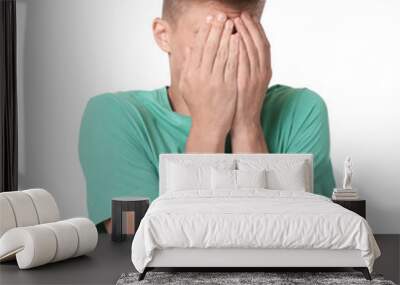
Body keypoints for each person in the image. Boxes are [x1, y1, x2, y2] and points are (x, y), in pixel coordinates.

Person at [79, 0, 336, 233]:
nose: (228, 52)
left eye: (242, 35)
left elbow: (294, 236)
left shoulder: (303, 109)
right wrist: (208, 127)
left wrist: (247, 124)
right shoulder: (113, 116)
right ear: (164, 35)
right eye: (210, 37)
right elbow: (134, 239)